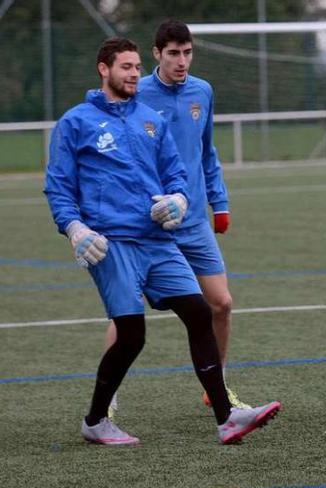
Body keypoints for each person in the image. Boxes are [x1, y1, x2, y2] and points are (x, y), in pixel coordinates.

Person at [43, 37, 280, 445]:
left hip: (157, 241)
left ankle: (226, 418)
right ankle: (96, 420)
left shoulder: (151, 119)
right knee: (132, 334)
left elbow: (175, 173)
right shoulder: (76, 122)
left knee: (200, 312)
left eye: (136, 67)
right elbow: (59, 186)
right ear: (104, 69)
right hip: (110, 242)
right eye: (126, 67)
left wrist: (178, 199)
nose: (134, 73)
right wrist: (75, 228)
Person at [103, 20, 249, 417]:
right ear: (157, 54)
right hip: (147, 223)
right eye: (173, 53)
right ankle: (108, 395)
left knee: (221, 304)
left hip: (195, 219)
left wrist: (218, 203)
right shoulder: (137, 92)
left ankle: (216, 387)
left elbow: (206, 152)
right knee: (127, 310)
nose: (181, 61)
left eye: (187, 53)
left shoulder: (203, 91)